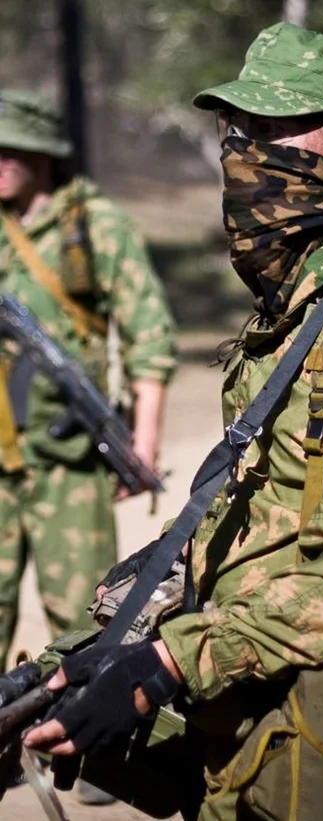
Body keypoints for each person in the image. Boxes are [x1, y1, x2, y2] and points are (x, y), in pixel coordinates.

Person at [24, 23, 323, 821]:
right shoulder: (305, 302)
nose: (244, 155)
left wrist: (169, 665)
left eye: (273, 131)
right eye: (237, 133)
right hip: (251, 712)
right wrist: (75, 661)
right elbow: (251, 518)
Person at [0, 94, 175, 690]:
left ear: (44, 155)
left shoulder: (94, 224)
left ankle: (73, 727)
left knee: (81, 622)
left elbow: (149, 335)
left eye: (12, 151)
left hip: (67, 467)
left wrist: (142, 442)